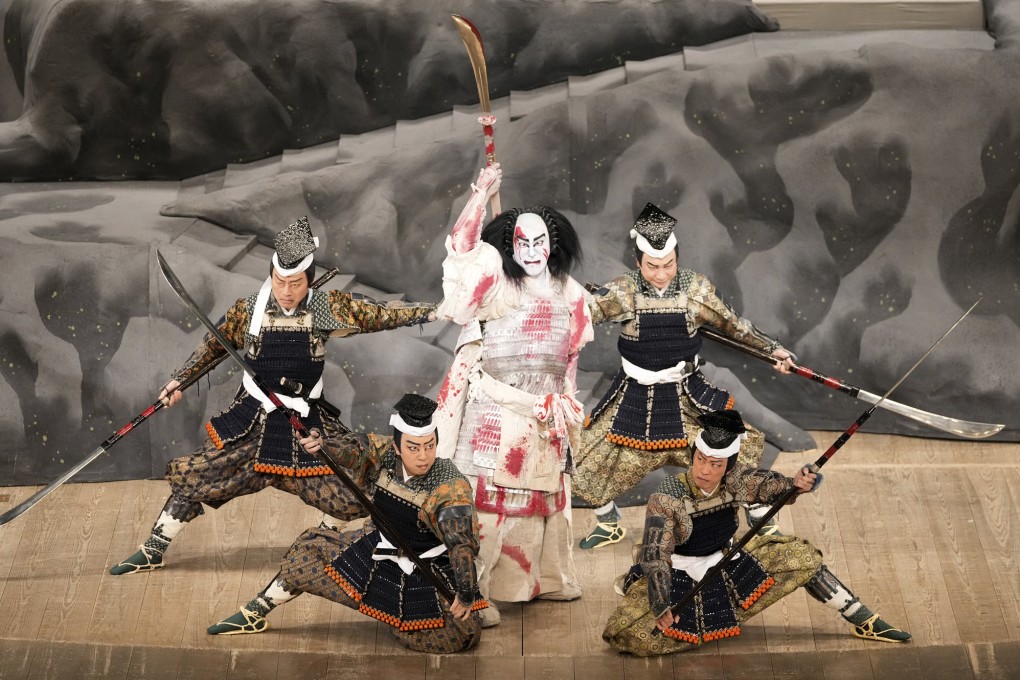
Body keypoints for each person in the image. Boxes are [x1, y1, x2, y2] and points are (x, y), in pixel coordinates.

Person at [110, 217, 435, 574]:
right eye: (280, 281)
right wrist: (179, 382)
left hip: (304, 424)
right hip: (251, 419)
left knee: (356, 486)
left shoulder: (324, 309)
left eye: (295, 284)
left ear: (309, 281)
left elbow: (378, 312)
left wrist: (434, 312)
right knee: (197, 476)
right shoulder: (248, 310)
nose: (286, 292)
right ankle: (154, 548)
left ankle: (325, 541)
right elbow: (211, 348)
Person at [575, 203, 794, 550]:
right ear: (637, 262)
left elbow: (734, 324)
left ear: (677, 258)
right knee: (582, 455)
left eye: (668, 265)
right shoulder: (621, 290)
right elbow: (580, 316)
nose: (661, 274)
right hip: (634, 397)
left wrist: (772, 349)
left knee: (744, 442)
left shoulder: (696, 288)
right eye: (652, 266)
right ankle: (608, 521)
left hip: (686, 395)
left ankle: (758, 513)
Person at [603, 409, 911, 656]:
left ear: (729, 465)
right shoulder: (667, 496)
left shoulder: (737, 480)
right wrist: (660, 603)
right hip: (675, 577)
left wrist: (798, 484)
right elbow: (656, 556)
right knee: (626, 635)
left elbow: (771, 487)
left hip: (728, 565)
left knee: (801, 555)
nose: (705, 471)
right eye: (700, 460)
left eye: (715, 464)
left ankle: (862, 618)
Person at [434, 163, 592, 626]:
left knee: (546, 505)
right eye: (520, 243)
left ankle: (542, 582)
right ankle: (474, 592)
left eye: (539, 241)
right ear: (511, 246)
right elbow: (462, 249)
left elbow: (570, 366)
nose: (530, 251)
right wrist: (480, 194)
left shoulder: (574, 296)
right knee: (486, 508)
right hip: (495, 414)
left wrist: (567, 411)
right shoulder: (496, 286)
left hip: (547, 416)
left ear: (553, 243)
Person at [206, 394, 486, 652]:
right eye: (414, 448)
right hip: (376, 550)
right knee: (307, 551)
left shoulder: (450, 486)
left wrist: (465, 590)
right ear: (398, 447)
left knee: (456, 635)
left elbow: (462, 543)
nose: (423, 456)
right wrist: (322, 445)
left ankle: (398, 614)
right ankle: (255, 611)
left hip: (426, 570)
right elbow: (355, 447)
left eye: (430, 446)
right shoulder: (384, 452)